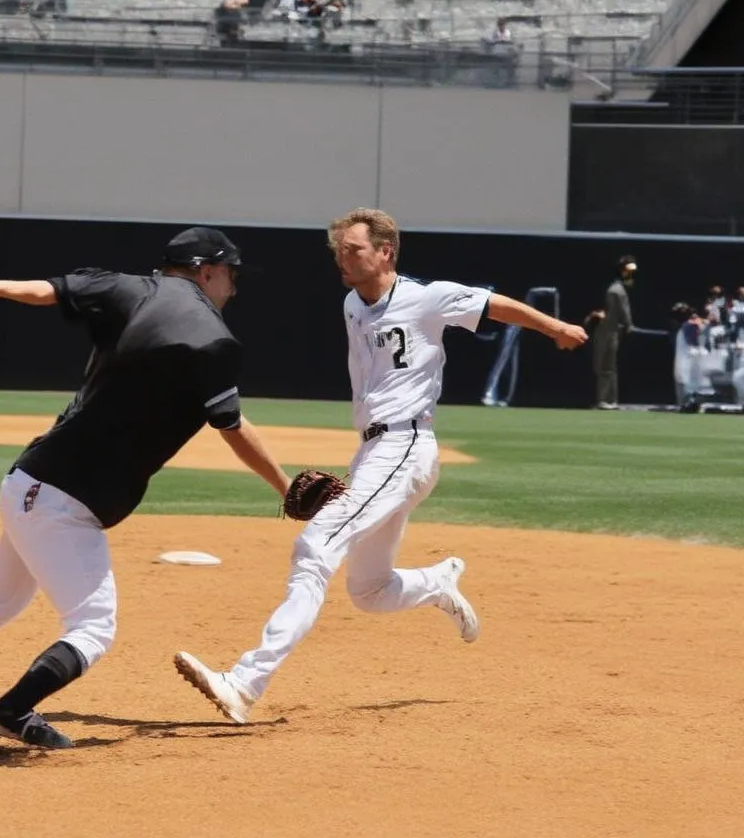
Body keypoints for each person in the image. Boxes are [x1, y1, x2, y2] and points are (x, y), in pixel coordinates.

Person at [0, 227, 290, 750]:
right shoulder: (213, 337)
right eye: (230, 274)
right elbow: (229, 423)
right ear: (206, 270)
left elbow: (47, 289)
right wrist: (284, 485)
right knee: (94, 628)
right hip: (63, 501)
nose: (233, 286)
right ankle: (8, 711)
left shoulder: (125, 288)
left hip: (29, 480)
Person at [172, 208, 587, 723]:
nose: (342, 258)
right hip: (372, 452)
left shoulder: (426, 297)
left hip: (405, 446)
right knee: (370, 591)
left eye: (354, 249)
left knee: (315, 546)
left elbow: (493, 305)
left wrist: (556, 327)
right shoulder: (352, 303)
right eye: (339, 250)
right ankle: (437, 584)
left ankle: (245, 682)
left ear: (385, 252)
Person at [592, 255, 636, 409]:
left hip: (612, 331)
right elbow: (622, 311)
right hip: (607, 331)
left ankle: (609, 400)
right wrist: (628, 324)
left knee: (609, 366)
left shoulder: (619, 289)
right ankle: (605, 400)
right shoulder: (615, 290)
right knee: (604, 365)